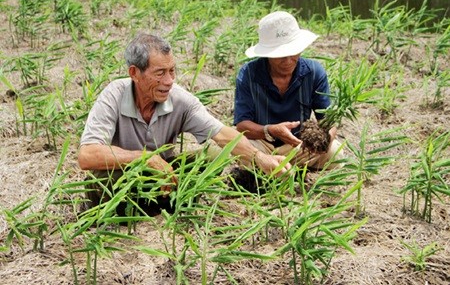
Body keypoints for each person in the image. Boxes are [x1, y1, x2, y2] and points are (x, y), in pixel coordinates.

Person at [78, 33, 291, 215]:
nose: (169, 81)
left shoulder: (180, 99)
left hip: (164, 176)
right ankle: (123, 211)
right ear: (134, 73)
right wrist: (144, 158)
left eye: (172, 71)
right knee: (102, 177)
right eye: (160, 73)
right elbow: (87, 155)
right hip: (125, 176)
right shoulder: (114, 95)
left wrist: (262, 160)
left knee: (214, 154)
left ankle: (166, 203)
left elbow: (223, 134)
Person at [234, 11, 343, 173]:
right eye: (280, 55)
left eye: (293, 52)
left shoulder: (314, 72)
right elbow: (242, 125)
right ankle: (275, 164)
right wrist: (269, 130)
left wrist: (323, 140)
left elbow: (328, 121)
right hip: (263, 144)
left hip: (300, 146)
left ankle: (278, 167)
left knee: (335, 153)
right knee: (238, 151)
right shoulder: (249, 74)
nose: (288, 60)